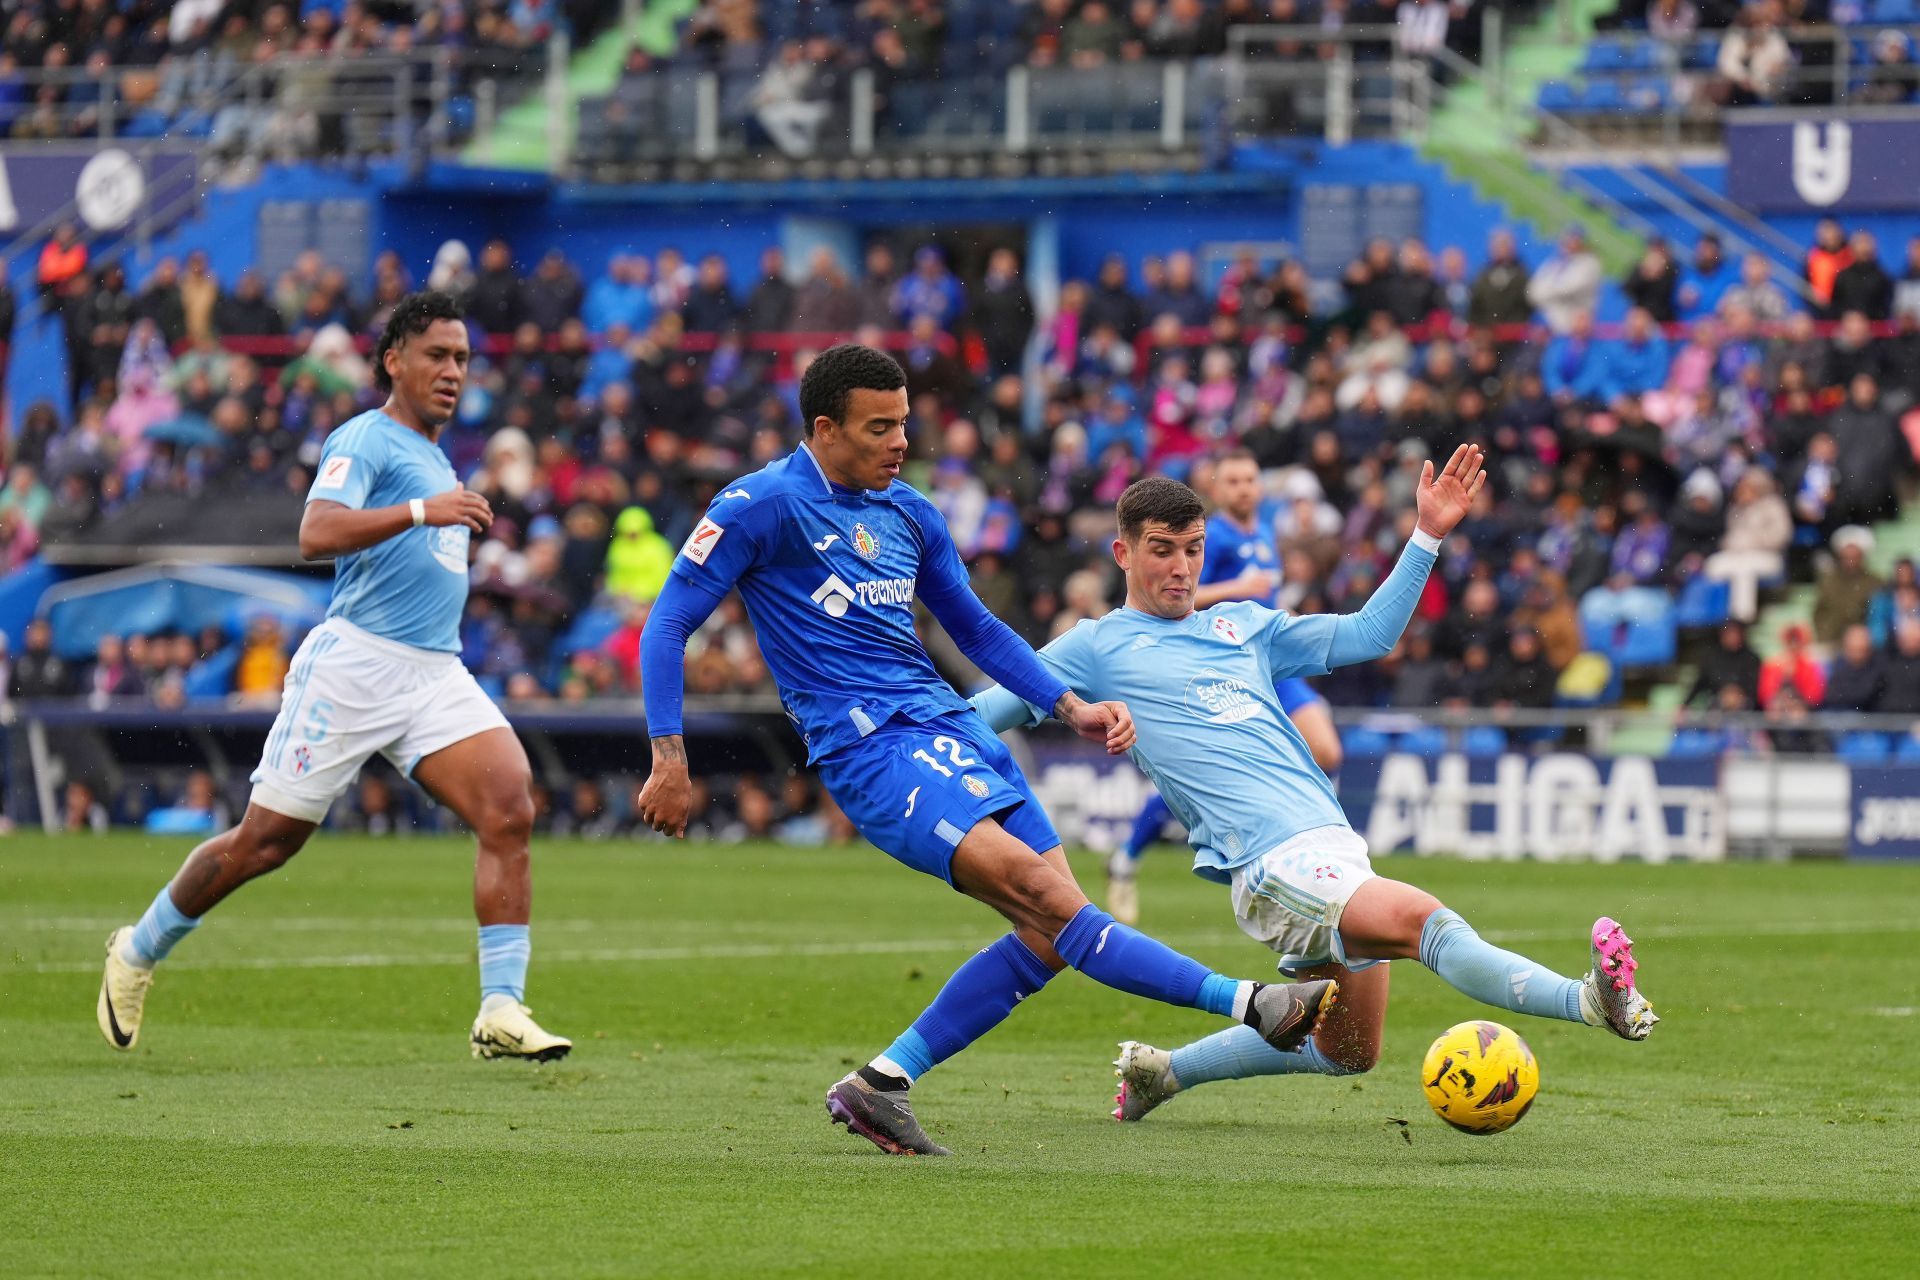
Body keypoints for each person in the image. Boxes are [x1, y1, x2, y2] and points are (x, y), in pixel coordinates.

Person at [635, 344, 1337, 1157]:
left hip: (951, 728)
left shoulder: (909, 511)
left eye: (904, 422)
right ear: (824, 428)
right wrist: (668, 754)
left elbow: (974, 628)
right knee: (1052, 899)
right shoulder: (761, 504)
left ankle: (882, 1083)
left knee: (1048, 936)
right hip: (874, 750)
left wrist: (1064, 704)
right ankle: (1252, 1005)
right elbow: (668, 623)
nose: (902, 441)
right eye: (879, 427)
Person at [967, 451, 1658, 1124]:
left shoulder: (1241, 625)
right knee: (1424, 922)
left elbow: (1369, 635)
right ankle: (1588, 1000)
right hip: (1270, 862)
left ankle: (1164, 1073)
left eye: (1193, 549)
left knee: (1348, 1050)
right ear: (1122, 554)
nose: (1181, 568)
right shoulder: (1094, 648)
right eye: (1161, 549)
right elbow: (978, 717)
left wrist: (1426, 536)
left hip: (1331, 847)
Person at [97, 292, 569, 1064]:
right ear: (394, 360)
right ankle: (137, 948)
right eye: (437, 356)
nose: (453, 372)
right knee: (266, 843)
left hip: (433, 670)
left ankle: (500, 1007)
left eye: (461, 359)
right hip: (353, 665)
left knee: (510, 805)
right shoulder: (368, 438)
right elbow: (315, 533)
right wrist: (424, 511)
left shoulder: (437, 457)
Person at [1111, 450, 1343, 925]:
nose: (1243, 489)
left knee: (1328, 750)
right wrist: (1240, 586)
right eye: (1233, 481)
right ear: (1218, 491)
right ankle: (1129, 854)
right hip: (1222, 662)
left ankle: (1314, 848)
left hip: (1267, 660)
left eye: (1250, 479)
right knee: (1200, 776)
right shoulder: (1208, 539)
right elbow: (1182, 596)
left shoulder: (1263, 532)